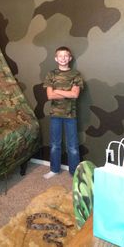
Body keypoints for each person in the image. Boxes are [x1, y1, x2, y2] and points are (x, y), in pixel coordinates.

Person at [43, 46, 84, 179]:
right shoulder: (51, 74)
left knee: (72, 146)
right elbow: (50, 96)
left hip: (70, 115)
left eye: (66, 56)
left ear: (70, 58)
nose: (63, 58)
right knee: (55, 144)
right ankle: (54, 169)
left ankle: (74, 172)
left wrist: (58, 91)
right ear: (56, 58)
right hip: (55, 115)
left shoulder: (76, 75)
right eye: (60, 56)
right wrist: (68, 92)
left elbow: (75, 95)